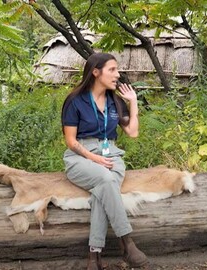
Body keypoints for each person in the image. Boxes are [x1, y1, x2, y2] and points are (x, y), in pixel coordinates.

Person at [61, 52, 148, 269]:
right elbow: (71, 141)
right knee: (107, 181)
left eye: (117, 70)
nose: (117, 75)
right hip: (81, 157)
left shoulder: (115, 101)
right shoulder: (75, 101)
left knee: (103, 190)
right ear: (95, 72)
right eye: (112, 70)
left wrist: (134, 102)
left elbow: (133, 132)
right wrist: (94, 158)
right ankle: (126, 241)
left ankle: (94, 256)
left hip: (112, 156)